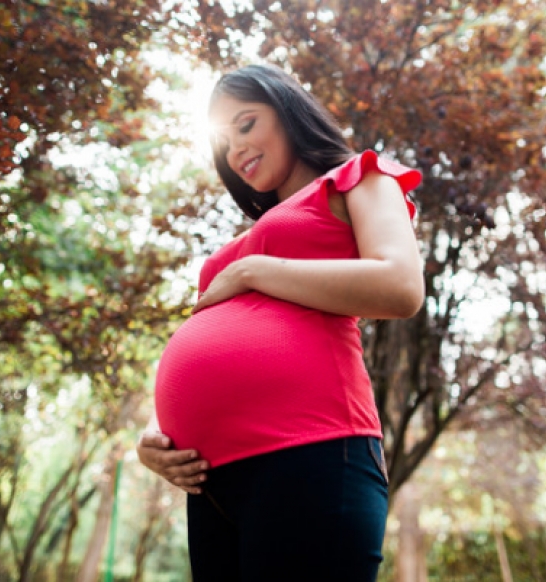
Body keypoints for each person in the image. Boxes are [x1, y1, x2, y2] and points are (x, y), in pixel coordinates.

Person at [136, 63, 424, 582]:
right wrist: (158, 437)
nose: (235, 150)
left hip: (308, 452)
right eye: (224, 142)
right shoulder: (245, 240)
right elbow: (218, 346)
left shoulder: (358, 178)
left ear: (288, 111)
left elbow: (401, 287)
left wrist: (253, 269)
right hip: (212, 480)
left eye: (246, 125)